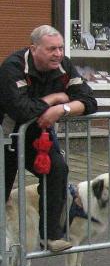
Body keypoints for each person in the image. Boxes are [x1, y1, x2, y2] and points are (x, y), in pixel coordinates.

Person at [0, 25, 97, 252]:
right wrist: (53, 98)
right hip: (6, 138)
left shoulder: (64, 66)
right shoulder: (13, 67)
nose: (58, 54)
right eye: (51, 49)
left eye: (61, 48)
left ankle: (51, 236)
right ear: (34, 49)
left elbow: (89, 101)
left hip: (38, 137)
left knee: (58, 170)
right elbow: (21, 110)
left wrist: (62, 109)